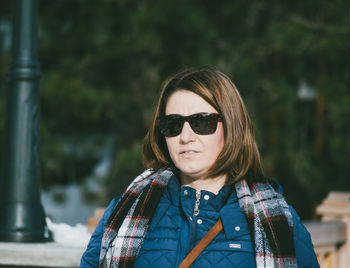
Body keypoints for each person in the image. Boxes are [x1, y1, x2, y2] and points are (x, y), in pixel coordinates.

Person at [81, 67, 319, 268]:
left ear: (231, 126)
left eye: (202, 122)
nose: (185, 137)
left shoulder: (276, 219)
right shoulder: (127, 208)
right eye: (173, 124)